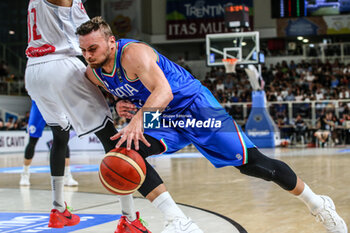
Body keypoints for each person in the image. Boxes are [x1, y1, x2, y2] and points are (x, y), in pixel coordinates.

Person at [77, 16, 348, 233]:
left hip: (196, 107)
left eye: (93, 48)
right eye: (83, 50)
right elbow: (122, 94)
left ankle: (317, 203)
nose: (88, 54)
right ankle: (177, 221)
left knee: (254, 164)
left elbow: (164, 92)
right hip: (165, 118)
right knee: (128, 153)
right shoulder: (94, 73)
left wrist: (138, 119)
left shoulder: (134, 53)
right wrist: (120, 106)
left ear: (112, 42)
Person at [25, 1, 195, 232]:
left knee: (60, 135)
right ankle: (133, 219)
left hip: (33, 71)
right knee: (114, 142)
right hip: (60, 64)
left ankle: (58, 209)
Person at [19, 100, 78, 187]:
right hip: (39, 103)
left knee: (63, 139)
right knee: (32, 141)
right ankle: (25, 174)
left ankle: (67, 175)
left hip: (54, 103)